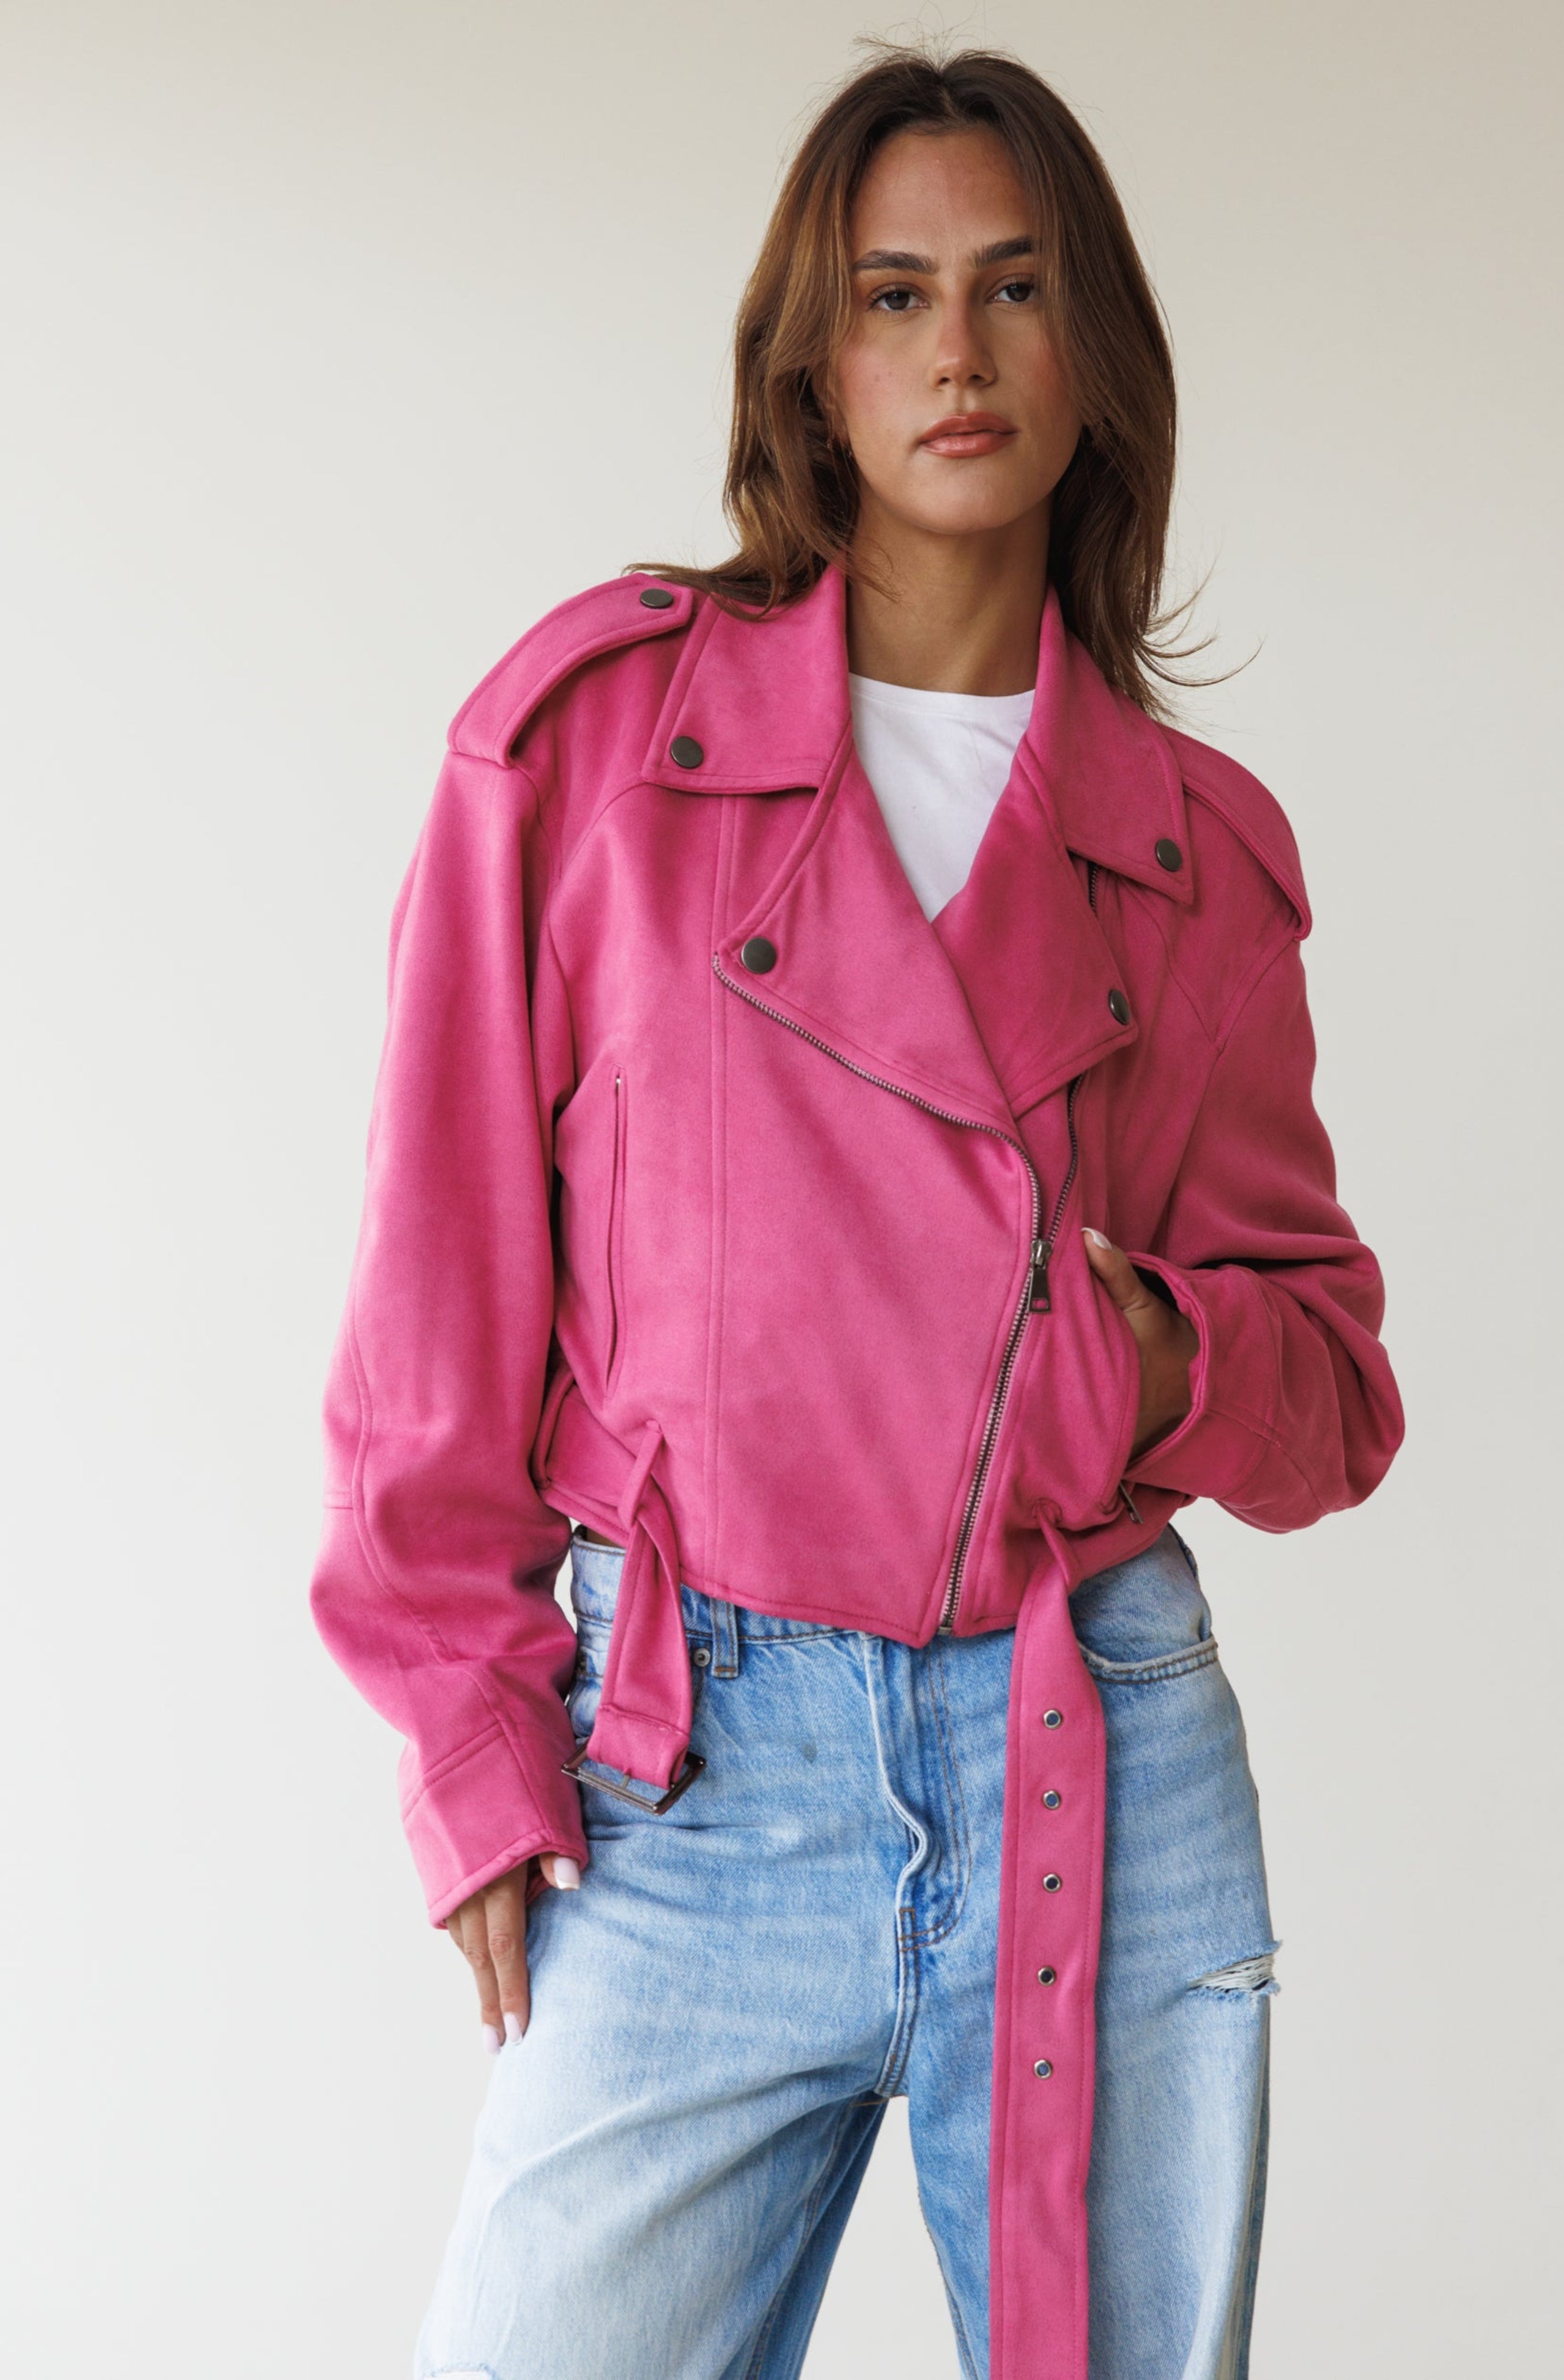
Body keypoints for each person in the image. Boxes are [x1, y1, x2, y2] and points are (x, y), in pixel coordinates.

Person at [309, 40, 1405, 2380]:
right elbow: (435, 1302)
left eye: (1015, 289)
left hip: (1088, 1765)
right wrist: (475, 1750)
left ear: (1094, 355)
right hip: (683, 1770)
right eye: (895, 296)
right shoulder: (591, 748)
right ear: (814, 364)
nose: (957, 351)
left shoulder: (1196, 852)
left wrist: (1162, 1351)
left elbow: (1332, 1399)